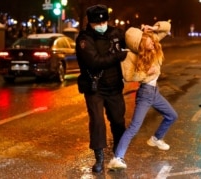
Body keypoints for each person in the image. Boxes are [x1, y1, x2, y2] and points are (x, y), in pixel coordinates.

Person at [107, 21, 178, 170]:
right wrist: (147, 72)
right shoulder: (130, 56)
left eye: (152, 40)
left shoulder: (153, 43)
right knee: (134, 127)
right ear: (139, 45)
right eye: (148, 42)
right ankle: (117, 158)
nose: (152, 43)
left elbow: (167, 28)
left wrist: (153, 28)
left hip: (155, 92)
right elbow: (129, 76)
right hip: (145, 93)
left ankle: (156, 139)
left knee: (172, 115)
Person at [75, 4, 127, 173]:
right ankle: (99, 159)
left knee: (118, 121)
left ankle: (118, 155)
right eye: (96, 23)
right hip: (94, 87)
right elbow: (94, 61)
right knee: (97, 122)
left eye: (103, 21)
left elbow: (135, 41)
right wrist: (117, 55)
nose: (100, 25)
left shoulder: (116, 33)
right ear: (89, 23)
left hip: (114, 86)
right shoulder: (84, 39)